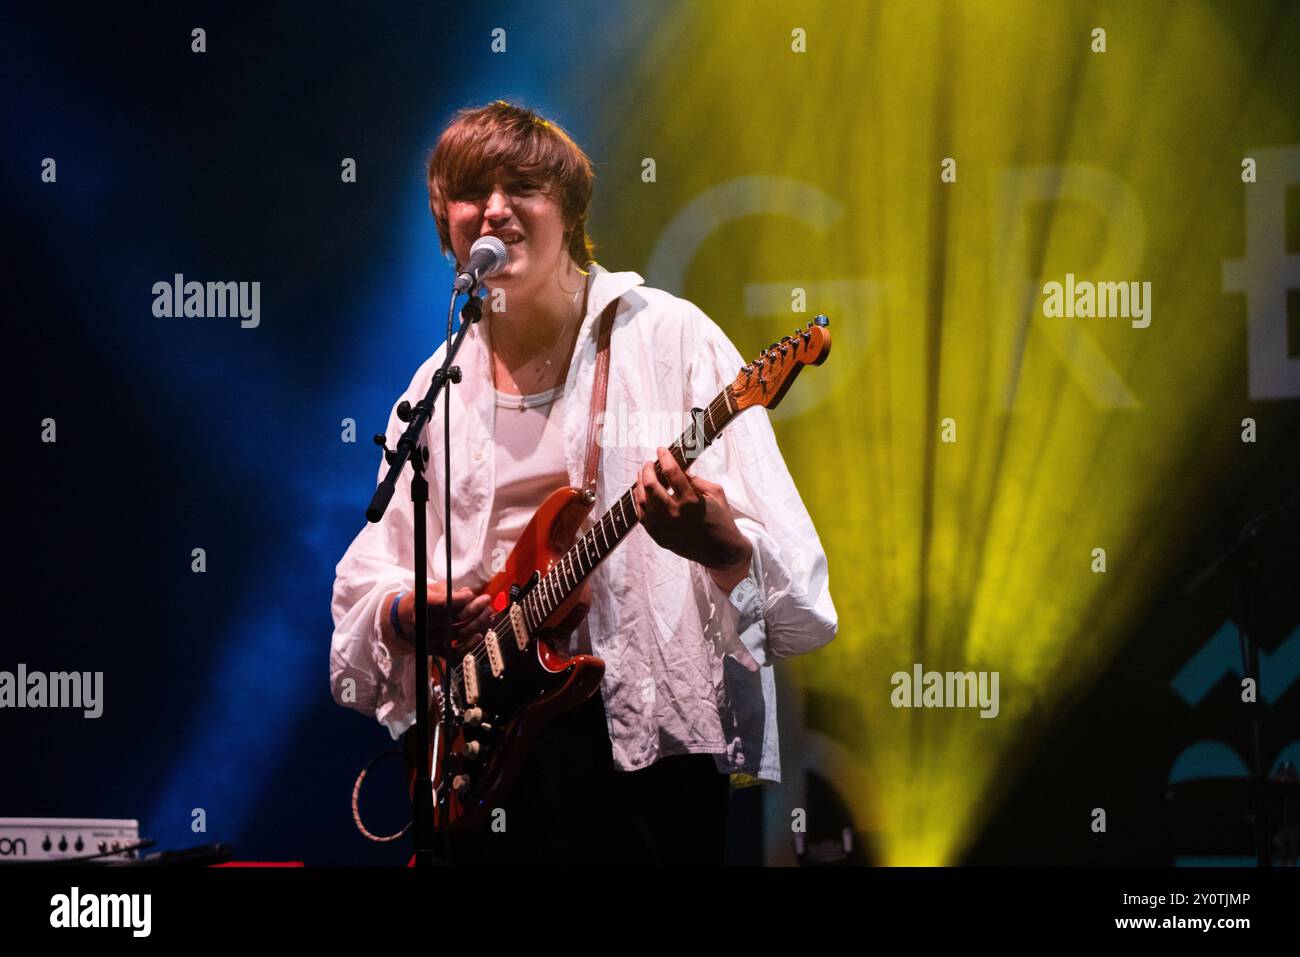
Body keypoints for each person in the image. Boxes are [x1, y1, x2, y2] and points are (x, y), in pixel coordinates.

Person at [330, 100, 837, 866]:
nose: (495, 208)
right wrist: (407, 613)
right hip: (481, 758)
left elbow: (800, 604)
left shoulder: (670, 341)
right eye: (472, 191)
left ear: (567, 212)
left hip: (642, 765)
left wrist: (722, 542)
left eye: (522, 186)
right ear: (447, 228)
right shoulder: (433, 386)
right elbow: (364, 583)